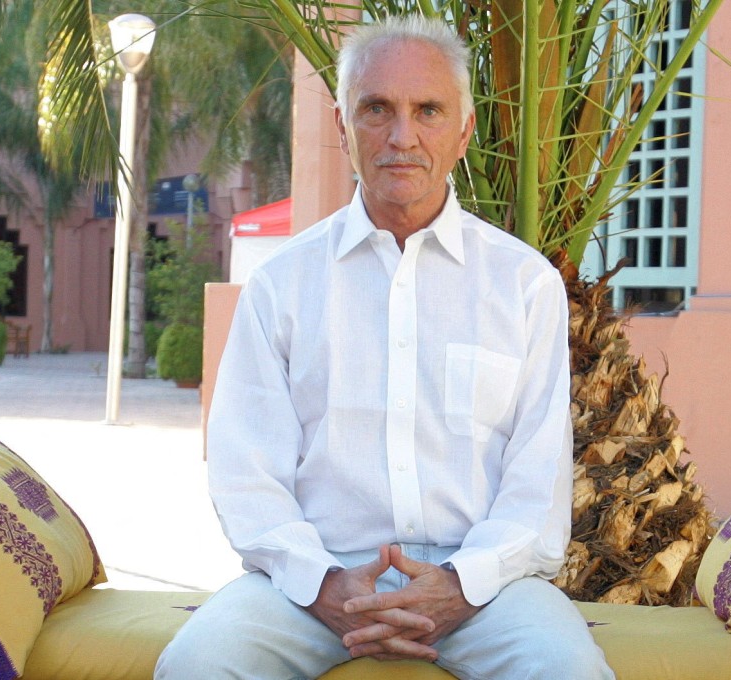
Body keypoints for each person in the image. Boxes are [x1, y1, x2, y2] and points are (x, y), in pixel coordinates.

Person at [155, 15, 614, 680]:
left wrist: (459, 585)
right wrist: (324, 586)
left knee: (567, 670)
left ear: (464, 130)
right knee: (197, 664)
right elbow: (245, 474)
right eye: (377, 109)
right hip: (314, 585)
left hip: (483, 592)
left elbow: (536, 489)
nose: (403, 136)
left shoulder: (523, 285)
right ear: (343, 128)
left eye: (428, 110)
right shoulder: (281, 285)